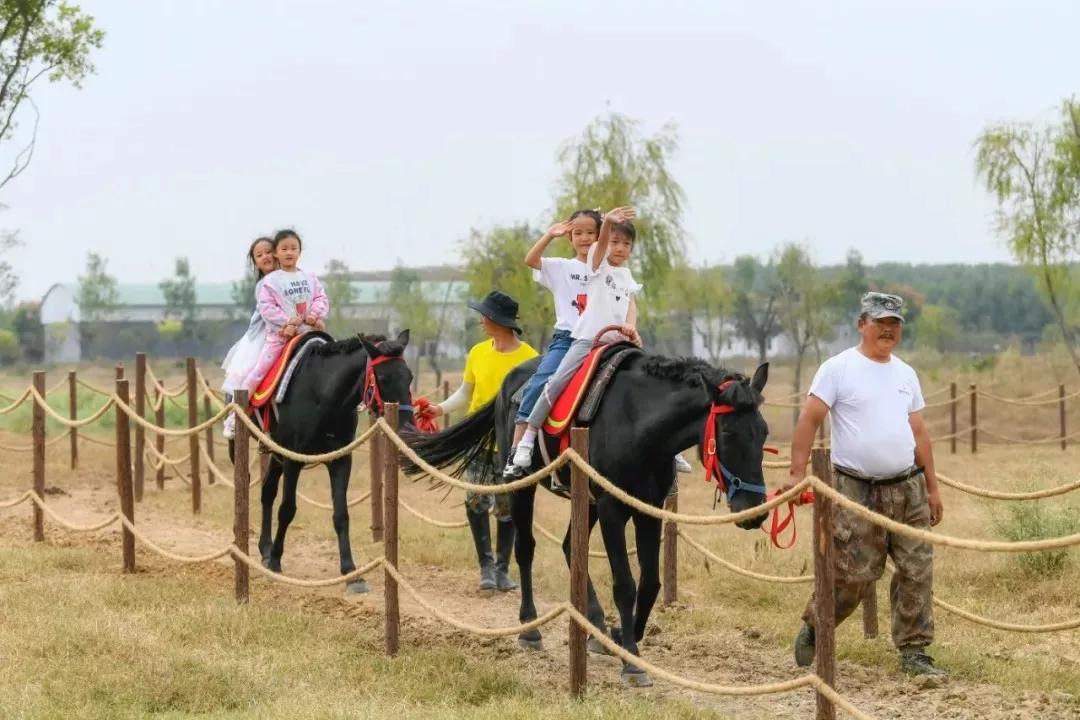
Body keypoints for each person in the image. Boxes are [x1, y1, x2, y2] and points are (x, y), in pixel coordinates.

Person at [786, 291, 945, 677]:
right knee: (853, 577)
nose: (887, 331)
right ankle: (815, 626)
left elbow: (919, 432)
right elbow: (809, 420)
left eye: (894, 325)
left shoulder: (906, 374)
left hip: (908, 488)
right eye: (880, 323)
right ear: (862, 324)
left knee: (916, 570)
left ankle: (915, 652)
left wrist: (933, 486)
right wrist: (795, 474)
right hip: (855, 489)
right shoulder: (838, 369)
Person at [506, 206, 642, 486]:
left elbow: (630, 302)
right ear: (570, 237)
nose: (584, 238)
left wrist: (632, 328)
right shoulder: (568, 266)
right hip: (572, 336)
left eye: (590, 232)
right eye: (577, 233)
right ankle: (520, 445)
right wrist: (549, 235)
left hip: (610, 338)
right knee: (546, 381)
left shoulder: (617, 269)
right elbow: (531, 260)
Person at [427, 291, 537, 591]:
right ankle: (486, 567)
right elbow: (466, 392)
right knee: (475, 501)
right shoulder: (477, 352)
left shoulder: (529, 358)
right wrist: (440, 408)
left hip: (511, 443)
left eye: (485, 315)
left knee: (507, 505)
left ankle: (503, 568)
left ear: (498, 321)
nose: (481, 320)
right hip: (478, 442)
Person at [239, 229, 328, 394]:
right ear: (276, 253)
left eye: (293, 248)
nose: (289, 252)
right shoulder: (270, 281)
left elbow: (320, 298)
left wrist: (314, 316)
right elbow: (267, 308)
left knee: (335, 358)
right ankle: (237, 411)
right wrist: (288, 323)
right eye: (284, 249)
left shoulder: (310, 277)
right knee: (259, 372)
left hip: (310, 332)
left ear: (300, 252)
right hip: (280, 337)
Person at [221, 237, 276, 439]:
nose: (265, 257)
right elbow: (270, 313)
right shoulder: (263, 285)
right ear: (255, 262)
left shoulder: (295, 277)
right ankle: (235, 417)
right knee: (250, 372)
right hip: (266, 334)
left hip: (298, 327)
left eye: (269, 251)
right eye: (259, 255)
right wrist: (288, 324)